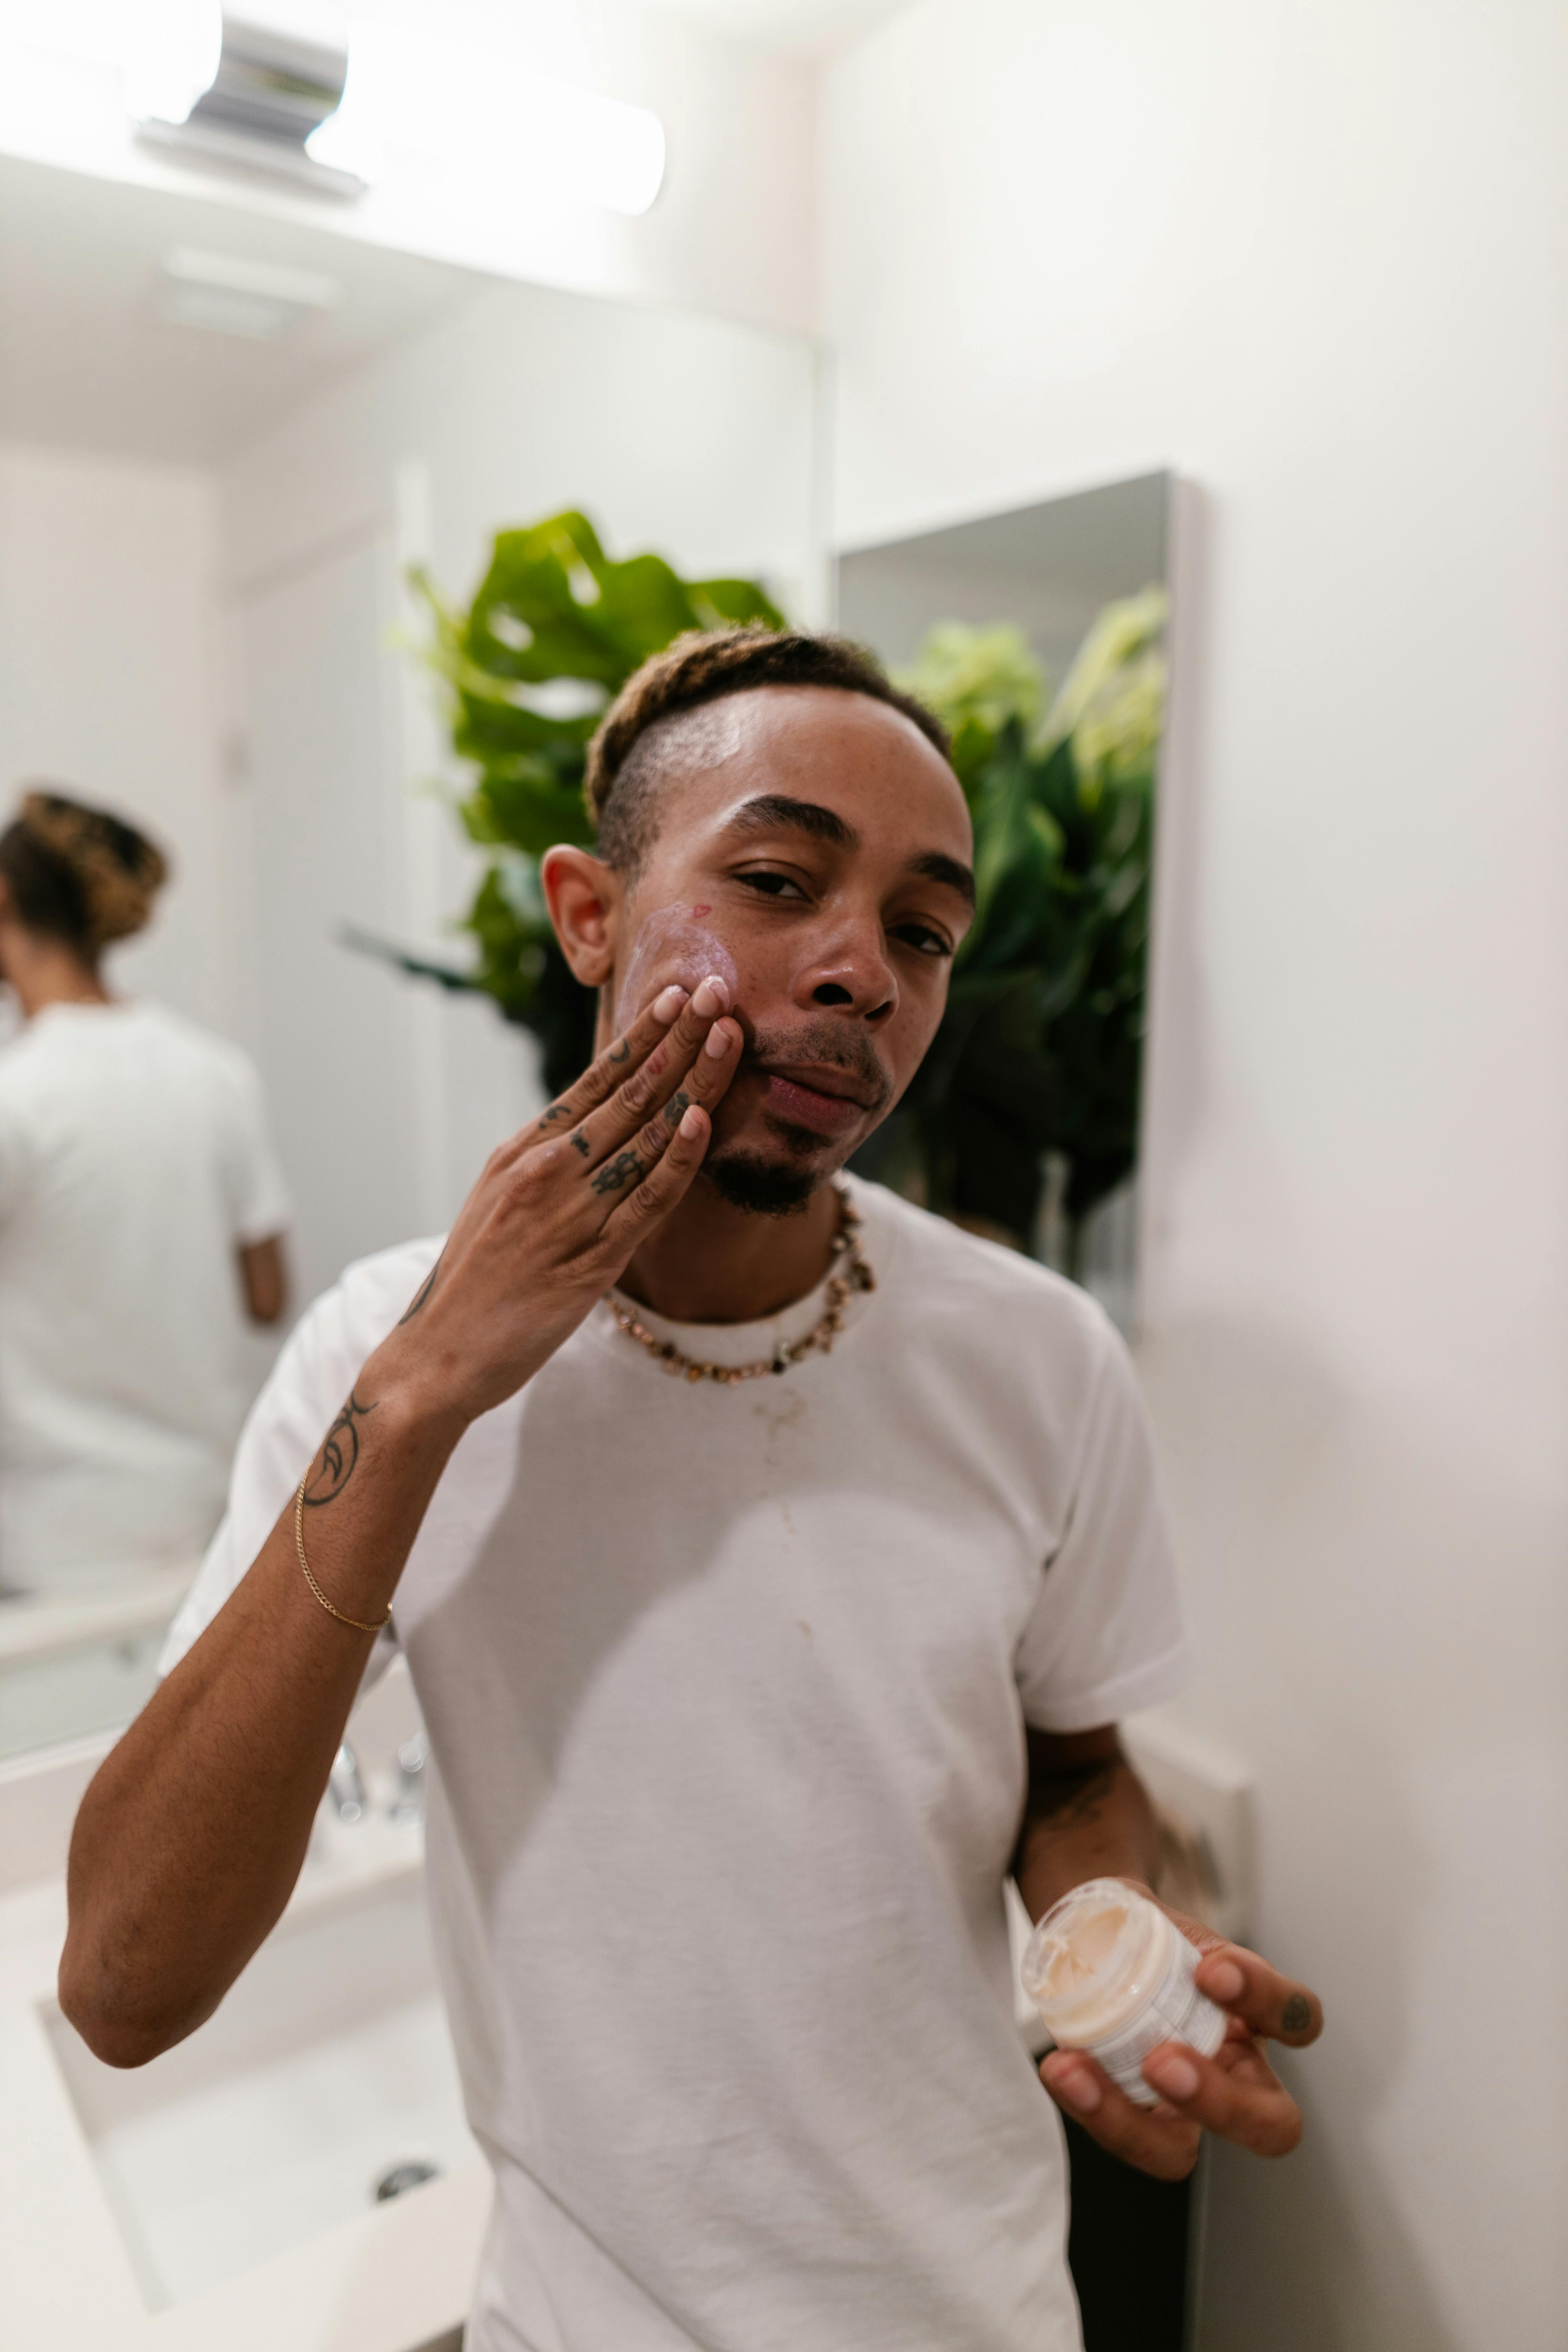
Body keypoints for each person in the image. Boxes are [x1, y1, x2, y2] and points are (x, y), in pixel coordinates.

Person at [59, 633, 1322, 2351]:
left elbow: (1079, 1766)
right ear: (589, 914)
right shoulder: (383, 1352)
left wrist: (1115, 1938)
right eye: (781, 879)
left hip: (989, 2310)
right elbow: (127, 1984)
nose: (863, 972)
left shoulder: (1035, 1356)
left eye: (923, 930)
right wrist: (432, 1389)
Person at [0, 789, 291, 1598]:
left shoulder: (16, 1095)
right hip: (207, 1528)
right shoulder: (214, 1073)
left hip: (56, 1550)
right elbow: (266, 1295)